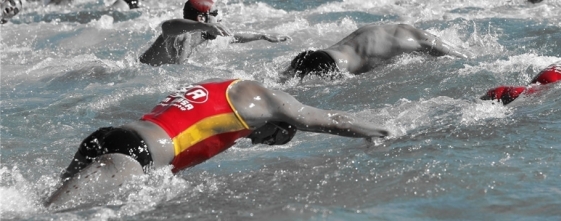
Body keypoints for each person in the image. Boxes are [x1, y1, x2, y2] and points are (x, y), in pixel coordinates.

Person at [44, 78, 390, 209]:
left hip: (108, 137)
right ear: (277, 124)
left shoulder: (219, 89)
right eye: (274, 138)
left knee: (43, 208)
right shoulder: (265, 100)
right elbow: (328, 120)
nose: (260, 141)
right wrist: (380, 132)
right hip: (134, 155)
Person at [281, 23, 468, 81]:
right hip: (333, 66)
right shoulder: (421, 40)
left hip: (313, 55)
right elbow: (458, 57)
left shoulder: (377, 27)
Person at [139, 0, 291, 66]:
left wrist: (262, 36)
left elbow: (234, 37)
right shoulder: (181, 35)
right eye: (216, 13)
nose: (220, 17)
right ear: (201, 18)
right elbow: (167, 26)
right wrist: (204, 26)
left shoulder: (205, 34)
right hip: (138, 77)